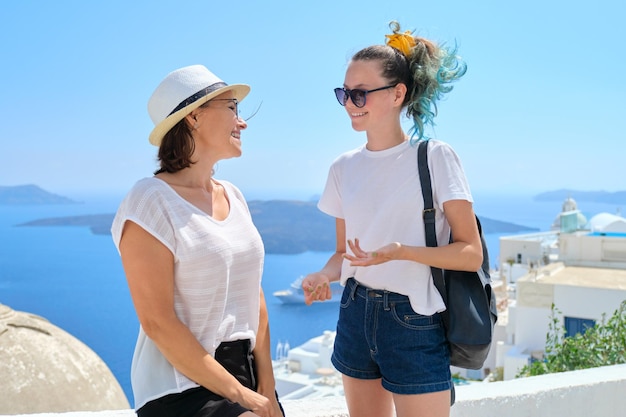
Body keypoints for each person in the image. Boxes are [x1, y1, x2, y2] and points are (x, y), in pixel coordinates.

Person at [302, 22, 483, 417]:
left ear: (398, 93)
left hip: (412, 320)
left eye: (360, 93)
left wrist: (402, 253)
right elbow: (341, 254)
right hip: (354, 312)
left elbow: (471, 254)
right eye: (344, 93)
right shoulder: (342, 168)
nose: (350, 103)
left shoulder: (435, 157)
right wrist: (322, 275)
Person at [111, 65, 284, 417]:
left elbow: (255, 295)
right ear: (194, 116)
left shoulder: (233, 196)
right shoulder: (150, 200)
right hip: (180, 384)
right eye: (232, 107)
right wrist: (244, 396)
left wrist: (266, 384)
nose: (243, 121)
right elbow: (156, 321)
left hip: (244, 373)